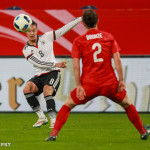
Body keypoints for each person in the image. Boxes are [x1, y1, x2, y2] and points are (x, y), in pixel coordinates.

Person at [45, 9, 150, 141]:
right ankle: (142, 132)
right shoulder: (108, 37)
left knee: (68, 104)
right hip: (109, 84)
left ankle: (54, 134)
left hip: (89, 85)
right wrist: (121, 80)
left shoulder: (79, 41)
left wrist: (78, 85)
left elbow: (76, 65)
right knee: (127, 104)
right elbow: (117, 60)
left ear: (83, 23)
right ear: (97, 21)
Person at [23, 17, 82, 128]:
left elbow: (64, 29)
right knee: (27, 89)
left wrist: (80, 19)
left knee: (47, 90)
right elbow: (39, 63)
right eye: (29, 31)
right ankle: (41, 117)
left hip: (53, 72)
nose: (32, 33)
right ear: (25, 32)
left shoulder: (47, 37)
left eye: (34, 30)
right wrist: (55, 64)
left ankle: (53, 121)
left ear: (37, 30)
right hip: (39, 75)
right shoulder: (26, 50)